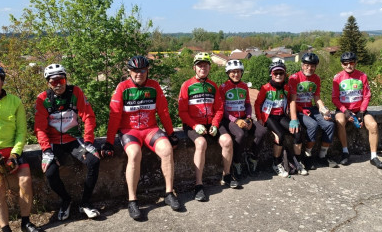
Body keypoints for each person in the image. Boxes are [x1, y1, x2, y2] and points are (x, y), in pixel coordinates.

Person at [102, 55, 180, 221]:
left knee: (167, 150)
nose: (139, 74)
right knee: (135, 154)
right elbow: (114, 116)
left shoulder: (154, 86)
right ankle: (132, 200)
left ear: (147, 71)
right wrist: (109, 142)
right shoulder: (122, 87)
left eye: (143, 70)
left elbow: (163, 112)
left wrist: (171, 133)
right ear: (129, 71)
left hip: (150, 129)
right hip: (129, 130)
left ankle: (169, 193)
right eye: (135, 70)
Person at [35, 64, 101, 221]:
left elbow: (88, 117)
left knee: (94, 161)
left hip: (73, 139)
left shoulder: (75, 92)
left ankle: (85, 203)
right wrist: (46, 150)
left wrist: (88, 141)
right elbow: (39, 128)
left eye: (61, 80)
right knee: (50, 172)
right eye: (53, 81)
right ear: (48, 83)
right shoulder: (42, 99)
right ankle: (66, 200)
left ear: (66, 79)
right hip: (53, 142)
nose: (58, 84)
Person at [178, 52, 238, 202]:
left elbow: (219, 108)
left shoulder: (213, 86)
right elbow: (182, 111)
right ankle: (198, 185)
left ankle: (227, 175)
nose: (202, 68)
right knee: (201, 143)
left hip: (211, 123)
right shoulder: (187, 85)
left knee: (227, 141)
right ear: (194, 68)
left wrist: (215, 124)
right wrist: (194, 125)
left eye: (205, 65)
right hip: (192, 124)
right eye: (199, 65)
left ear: (209, 68)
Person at [0, 66, 42, 232]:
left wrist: (14, 154)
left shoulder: (15, 101)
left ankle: (26, 221)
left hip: (13, 150)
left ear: (2, 81)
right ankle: (6, 231)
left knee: (25, 180)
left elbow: (21, 131)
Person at [332, 52, 382, 169]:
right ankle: (345, 152)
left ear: (355, 63)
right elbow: (335, 98)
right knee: (340, 122)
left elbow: (367, 96)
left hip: (359, 109)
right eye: (345, 63)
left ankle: (373, 157)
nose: (348, 65)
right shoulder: (337, 78)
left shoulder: (362, 76)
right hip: (343, 109)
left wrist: (361, 112)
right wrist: (345, 111)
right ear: (342, 64)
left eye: (351, 63)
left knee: (373, 125)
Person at [255, 60, 307, 177]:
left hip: (281, 116)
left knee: (297, 132)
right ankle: (276, 163)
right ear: (271, 74)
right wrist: (259, 118)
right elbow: (257, 103)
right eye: (276, 73)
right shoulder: (265, 88)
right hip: (269, 116)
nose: (278, 75)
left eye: (281, 73)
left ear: (285, 74)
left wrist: (301, 110)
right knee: (280, 135)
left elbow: (290, 102)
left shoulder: (286, 88)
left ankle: (298, 162)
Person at [219, 60, 267, 179]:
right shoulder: (223, 87)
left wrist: (249, 118)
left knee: (262, 131)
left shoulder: (244, 86)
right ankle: (236, 162)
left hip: (244, 117)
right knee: (240, 134)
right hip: (229, 119)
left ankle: (252, 158)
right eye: (233, 72)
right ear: (228, 73)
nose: (236, 74)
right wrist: (235, 120)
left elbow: (247, 104)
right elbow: (222, 109)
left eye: (239, 72)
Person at [288, 53, 336, 169]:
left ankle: (322, 156)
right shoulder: (294, 78)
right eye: (307, 65)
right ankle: (307, 155)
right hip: (299, 109)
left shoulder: (316, 78)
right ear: (302, 65)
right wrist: (294, 118)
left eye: (312, 66)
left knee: (329, 125)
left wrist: (324, 111)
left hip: (311, 108)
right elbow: (292, 100)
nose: (309, 68)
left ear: (315, 67)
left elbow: (317, 98)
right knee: (313, 125)